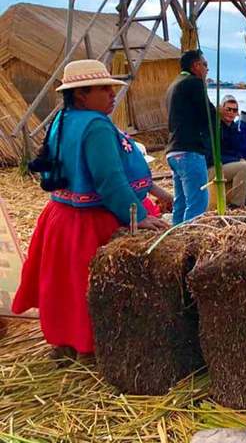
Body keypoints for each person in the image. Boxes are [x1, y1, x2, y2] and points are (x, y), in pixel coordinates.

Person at [13, 60, 168, 362]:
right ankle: (90, 349)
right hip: (89, 221)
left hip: (59, 216)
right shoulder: (95, 125)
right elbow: (109, 180)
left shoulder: (62, 118)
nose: (112, 94)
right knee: (90, 285)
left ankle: (64, 344)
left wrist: (154, 192)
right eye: (104, 89)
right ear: (82, 94)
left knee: (63, 284)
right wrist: (138, 214)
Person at [165, 49, 217, 224]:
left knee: (180, 204)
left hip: (174, 151)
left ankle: (175, 239)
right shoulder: (194, 83)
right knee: (197, 204)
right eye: (205, 65)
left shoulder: (173, 85)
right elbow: (208, 114)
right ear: (196, 66)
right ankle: (188, 243)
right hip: (190, 151)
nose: (207, 70)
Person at [206, 95, 246, 207]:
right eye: (228, 109)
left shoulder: (234, 127)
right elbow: (213, 155)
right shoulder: (215, 127)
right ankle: (237, 204)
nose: (231, 112)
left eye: (234, 110)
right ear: (221, 109)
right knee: (243, 166)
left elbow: (237, 148)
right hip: (214, 167)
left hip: (230, 163)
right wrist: (237, 159)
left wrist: (239, 157)